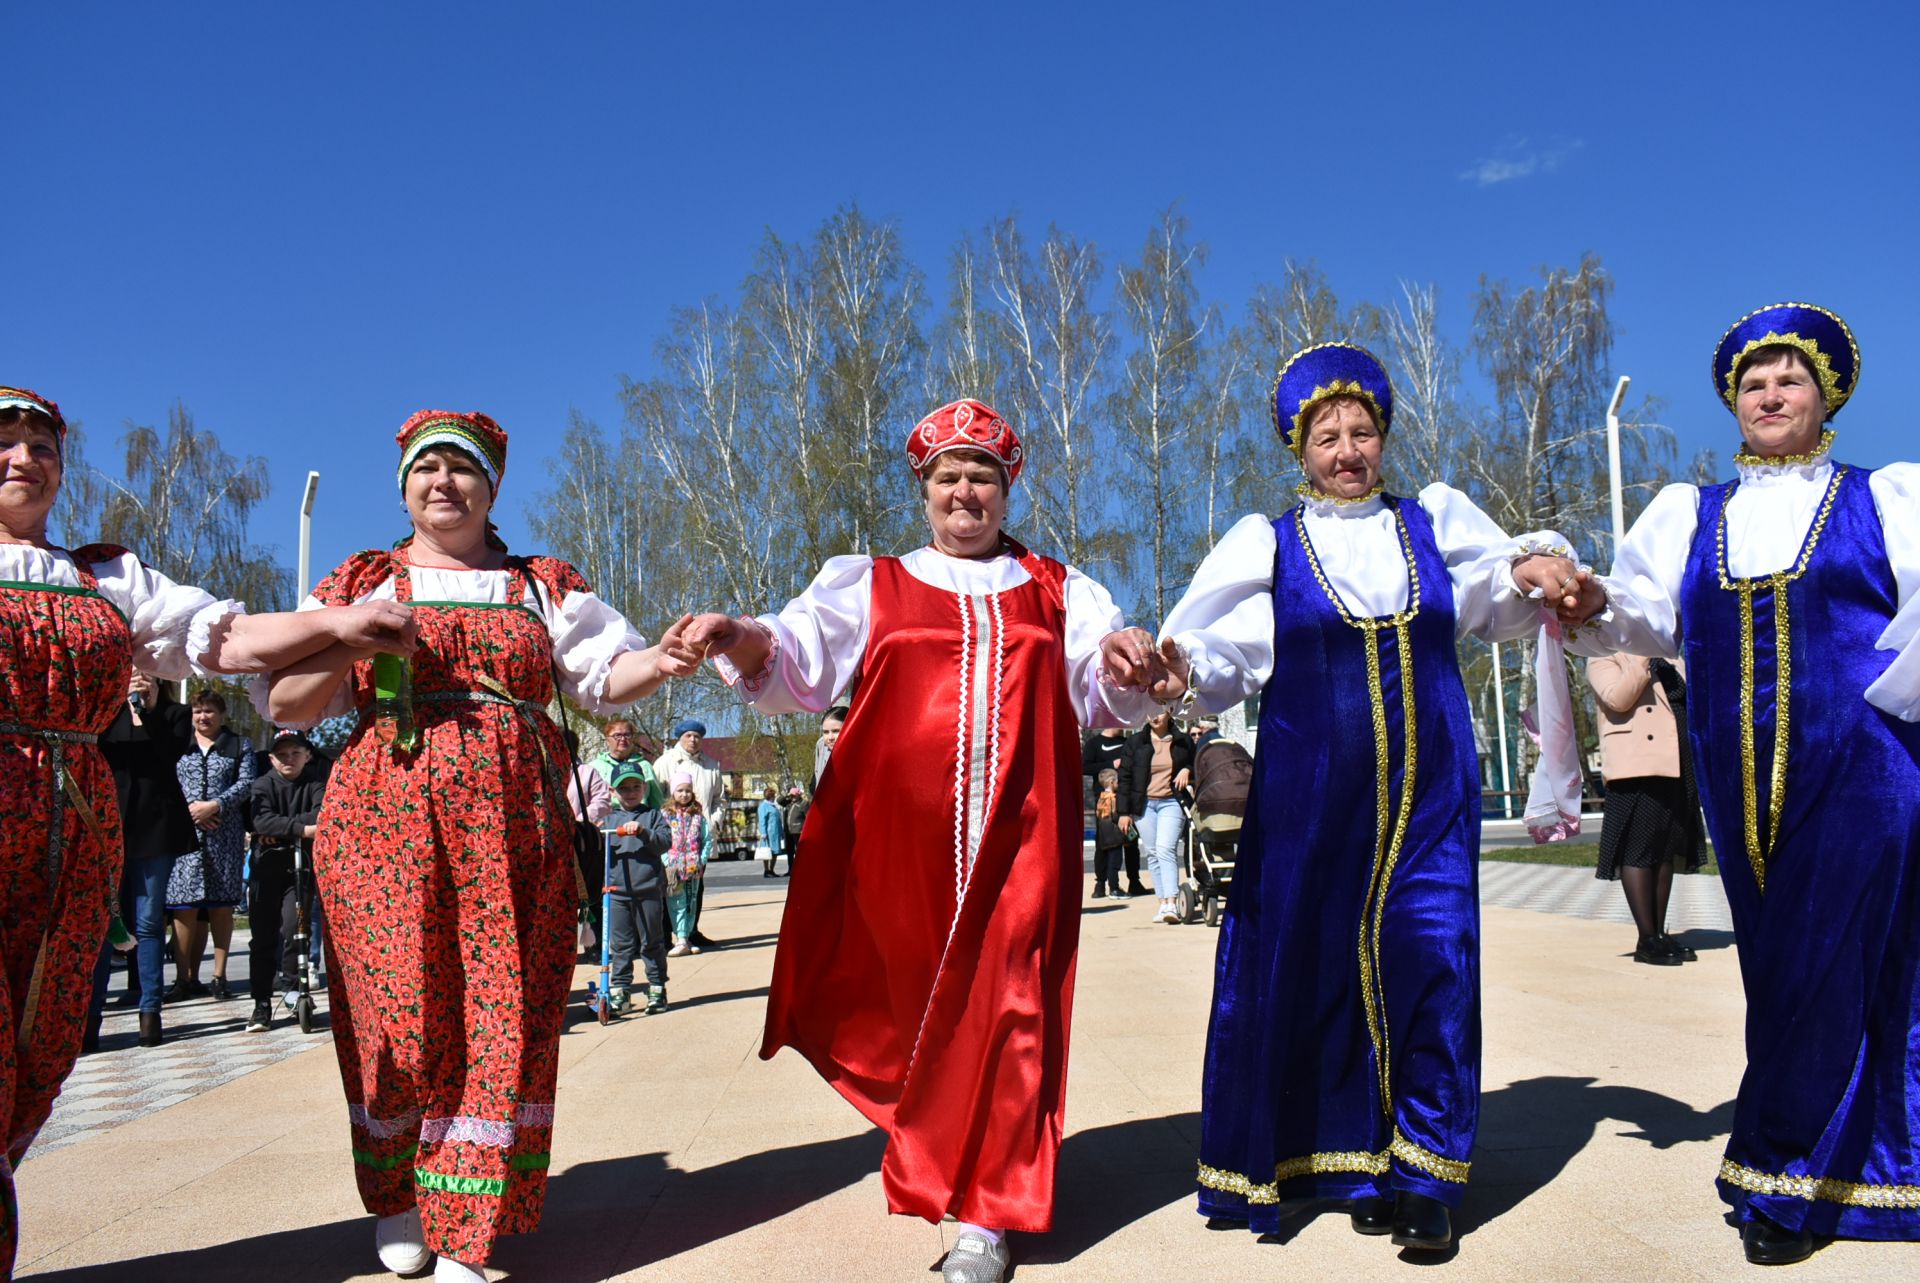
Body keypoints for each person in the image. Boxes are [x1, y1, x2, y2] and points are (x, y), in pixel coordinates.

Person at [682, 397, 1162, 1283]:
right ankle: (943, 1143)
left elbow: (1102, 689)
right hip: (896, 854)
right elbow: (796, 655)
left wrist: (1129, 660)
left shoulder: (1063, 591)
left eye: (982, 475)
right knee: (916, 1014)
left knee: (1014, 1009)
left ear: (1007, 489)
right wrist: (737, 635)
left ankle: (988, 1212)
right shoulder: (871, 583)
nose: (965, 491)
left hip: (1024, 845)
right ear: (924, 489)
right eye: (948, 477)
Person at [1156, 345, 1588, 1253]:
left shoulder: (1433, 523)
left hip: (1431, 790)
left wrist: (1534, 568)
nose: (1346, 449)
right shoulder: (1267, 542)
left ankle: (1429, 1174)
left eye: (1361, 432)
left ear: (1384, 438)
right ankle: (1353, 1159)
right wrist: (1179, 667)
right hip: (1312, 797)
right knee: (1319, 966)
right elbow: (1220, 653)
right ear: (1300, 450)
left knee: (1434, 955)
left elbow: (1499, 590)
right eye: (1327, 437)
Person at [260, 409, 695, 1283]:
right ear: (405, 487)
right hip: (382, 824)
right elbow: (288, 706)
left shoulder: (541, 583)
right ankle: (398, 1195)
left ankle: (465, 1221)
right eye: (428, 469)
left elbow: (606, 678)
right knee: (397, 1014)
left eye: (463, 469)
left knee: (501, 1013)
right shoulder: (363, 576)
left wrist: (668, 657)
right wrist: (349, 632)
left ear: (493, 486)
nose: (444, 483)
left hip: (513, 825)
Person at [1, 384, 415, 1274]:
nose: (25, 457)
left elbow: (222, 639)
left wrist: (340, 623)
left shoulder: (104, 579)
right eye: (5, 439)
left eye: (42, 444)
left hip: (71, 837)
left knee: (37, 1058)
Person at [1560, 305, 1920, 1265]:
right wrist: (1591, 600)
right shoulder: (1691, 514)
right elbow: (1633, 618)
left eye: (1788, 380)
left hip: (1863, 767)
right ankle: (1873, 1164)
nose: (1770, 395)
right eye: (1753, 384)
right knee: (1778, 962)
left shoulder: (1884, 495)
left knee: (1831, 953)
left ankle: (1781, 1173)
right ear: (1733, 403)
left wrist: (1892, 708)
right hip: (1738, 776)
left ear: (1826, 394)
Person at [88, 671, 196, 1048]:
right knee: (105, 923)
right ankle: (89, 1021)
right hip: (108, 829)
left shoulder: (174, 714)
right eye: (132, 672)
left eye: (146, 673)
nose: (139, 678)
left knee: (149, 922)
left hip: (156, 830)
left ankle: (150, 1013)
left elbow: (170, 754)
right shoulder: (102, 714)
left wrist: (149, 710)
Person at [1586, 654, 1704, 965]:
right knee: (1638, 850)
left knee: (1664, 849)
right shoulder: (1602, 657)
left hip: (1676, 762)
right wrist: (1641, 660)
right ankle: (1646, 937)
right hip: (1636, 766)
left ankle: (1658, 935)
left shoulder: (1671, 655)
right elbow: (1619, 699)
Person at [166, 688, 255, 1000]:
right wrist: (192, 809)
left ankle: (219, 976)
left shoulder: (239, 744)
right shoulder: (179, 743)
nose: (203, 717)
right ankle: (182, 978)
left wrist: (215, 804)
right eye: (198, 711)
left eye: (209, 711)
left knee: (221, 905)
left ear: (222, 715)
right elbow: (168, 781)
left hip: (224, 834)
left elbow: (246, 783)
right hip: (185, 835)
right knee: (184, 906)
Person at [246, 728, 329, 1032]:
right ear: (271, 759)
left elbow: (323, 815)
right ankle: (261, 1003)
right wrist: (301, 829)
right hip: (267, 869)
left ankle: (295, 989)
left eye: (295, 753)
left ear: (307, 756)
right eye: (282, 755)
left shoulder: (316, 784)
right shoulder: (262, 785)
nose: (289, 759)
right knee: (263, 936)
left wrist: (284, 830)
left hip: (300, 868)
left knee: (297, 928)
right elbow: (260, 819)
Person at [1117, 708, 1195, 924]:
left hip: (1172, 801)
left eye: (1159, 711)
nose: (1155, 716)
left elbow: (1197, 764)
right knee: (1152, 853)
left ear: (1169, 712)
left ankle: (1172, 902)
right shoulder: (1135, 742)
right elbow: (1125, 777)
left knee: (1165, 849)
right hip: (1144, 805)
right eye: (1149, 712)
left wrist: (1187, 770)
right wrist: (1123, 812)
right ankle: (1162, 904)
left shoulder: (1183, 741)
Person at [606, 762, 672, 1014]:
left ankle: (657, 987)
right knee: (620, 946)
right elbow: (598, 849)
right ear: (614, 791)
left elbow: (665, 842)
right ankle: (620, 991)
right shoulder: (608, 819)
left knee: (651, 942)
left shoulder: (652, 816)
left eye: (636, 786)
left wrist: (644, 832)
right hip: (617, 892)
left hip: (648, 890)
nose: (631, 792)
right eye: (624, 788)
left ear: (644, 787)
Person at [654, 720, 724, 947]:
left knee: (696, 887)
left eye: (697, 736)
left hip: (698, 838)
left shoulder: (711, 766)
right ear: (680, 737)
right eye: (688, 735)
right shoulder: (665, 763)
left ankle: (691, 931)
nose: (693, 740)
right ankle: (667, 934)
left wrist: (712, 822)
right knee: (670, 886)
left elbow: (719, 800)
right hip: (672, 841)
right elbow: (657, 798)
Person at [1083, 726, 1147, 895]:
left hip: (1126, 798)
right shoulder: (1094, 744)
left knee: (1131, 839)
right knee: (1105, 842)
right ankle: (1101, 884)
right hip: (1104, 800)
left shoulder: (1127, 743)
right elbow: (1085, 767)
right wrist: (1111, 764)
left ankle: (1134, 881)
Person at [661, 771, 708, 957]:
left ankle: (687, 937)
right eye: (680, 790)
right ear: (673, 792)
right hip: (674, 868)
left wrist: (701, 860)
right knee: (676, 902)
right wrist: (666, 860)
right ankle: (680, 937)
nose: (684, 794)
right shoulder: (666, 816)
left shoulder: (698, 816)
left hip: (693, 868)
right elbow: (662, 839)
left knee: (691, 902)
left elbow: (707, 839)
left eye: (687, 790)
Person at [590, 718, 661, 808]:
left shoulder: (645, 766)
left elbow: (657, 802)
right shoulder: (594, 767)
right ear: (607, 739)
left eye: (627, 735)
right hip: (606, 819)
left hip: (641, 819)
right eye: (617, 735)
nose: (623, 739)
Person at [1091, 767, 1126, 899]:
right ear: (1112, 782)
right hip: (1114, 834)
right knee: (1114, 863)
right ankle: (1114, 888)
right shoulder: (1114, 798)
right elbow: (1115, 816)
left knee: (1105, 860)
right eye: (1117, 781)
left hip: (1103, 834)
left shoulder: (1100, 798)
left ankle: (1103, 886)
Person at [814, 704, 847, 788]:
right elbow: (818, 774)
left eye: (836, 731)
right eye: (825, 732)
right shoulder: (821, 745)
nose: (830, 737)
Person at [756, 785, 786, 878]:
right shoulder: (763, 806)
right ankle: (766, 870)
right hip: (768, 834)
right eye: (774, 795)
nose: (775, 797)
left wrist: (781, 832)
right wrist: (763, 833)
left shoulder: (774, 806)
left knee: (775, 852)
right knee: (766, 852)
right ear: (771, 796)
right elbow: (762, 820)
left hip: (775, 833)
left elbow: (778, 820)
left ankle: (772, 870)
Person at [782, 784, 809, 870]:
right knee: (789, 851)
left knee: (799, 851)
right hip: (789, 831)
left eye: (794, 795)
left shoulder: (803, 803)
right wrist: (787, 796)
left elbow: (807, 816)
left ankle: (801, 868)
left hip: (798, 831)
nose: (792, 797)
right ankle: (791, 869)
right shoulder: (789, 803)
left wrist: (805, 830)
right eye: (791, 795)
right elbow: (779, 800)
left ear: (798, 795)